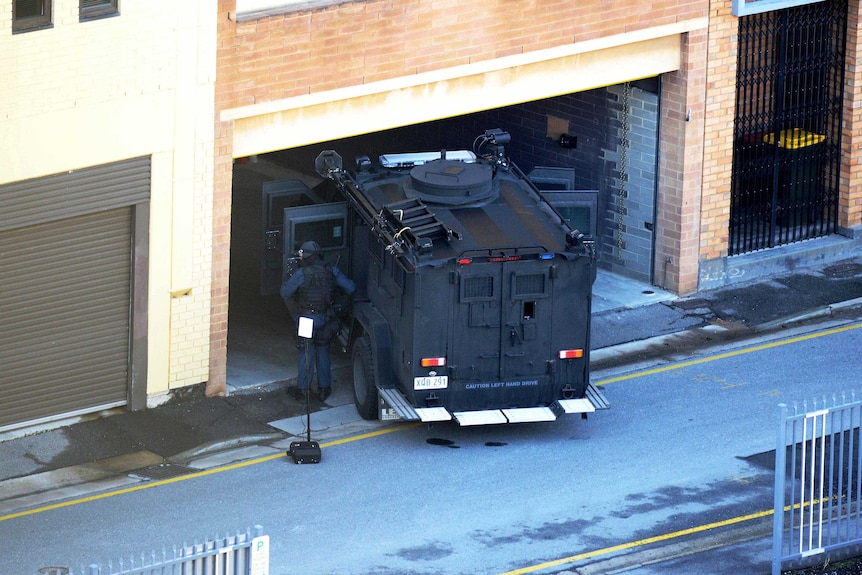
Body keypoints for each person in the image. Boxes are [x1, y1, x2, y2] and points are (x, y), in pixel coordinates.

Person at [280, 240, 355, 402]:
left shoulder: (302, 273)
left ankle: (303, 390)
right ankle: (324, 389)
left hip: (307, 319)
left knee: (306, 352)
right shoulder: (331, 270)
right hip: (326, 317)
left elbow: (285, 292)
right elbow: (350, 288)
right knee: (323, 350)